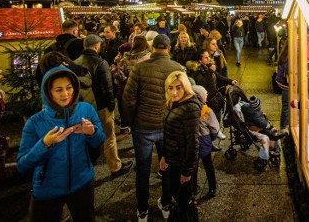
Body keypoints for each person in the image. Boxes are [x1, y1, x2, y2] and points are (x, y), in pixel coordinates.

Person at [17, 66, 106, 222]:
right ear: (48, 92)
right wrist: (44, 144)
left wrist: (92, 132)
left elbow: (100, 140)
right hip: (48, 189)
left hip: (82, 182)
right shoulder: (35, 123)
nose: (65, 94)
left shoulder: (86, 110)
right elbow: (23, 166)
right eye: (58, 90)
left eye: (69, 88)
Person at [121, 34, 185, 222]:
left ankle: (142, 210)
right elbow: (183, 99)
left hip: (143, 126)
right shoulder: (177, 68)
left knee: (143, 168)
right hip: (167, 125)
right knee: (166, 166)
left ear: (152, 48)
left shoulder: (140, 68)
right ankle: (166, 204)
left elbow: (128, 99)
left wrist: (130, 122)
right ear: (169, 48)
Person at [75, 34, 132, 179]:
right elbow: (107, 88)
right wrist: (112, 106)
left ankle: (84, 168)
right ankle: (115, 167)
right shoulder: (101, 63)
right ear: (96, 46)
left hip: (84, 107)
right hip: (101, 106)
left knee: (86, 136)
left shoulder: (75, 62)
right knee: (109, 137)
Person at [159, 71, 201, 221]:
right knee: (177, 197)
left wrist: (187, 172)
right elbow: (169, 134)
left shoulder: (190, 108)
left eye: (178, 88)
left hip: (183, 163)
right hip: (173, 159)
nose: (174, 92)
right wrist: (164, 155)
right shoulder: (172, 102)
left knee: (184, 203)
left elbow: (193, 143)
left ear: (186, 88)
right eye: (170, 88)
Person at [193, 49, 237, 138]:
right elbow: (204, 84)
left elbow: (218, 77)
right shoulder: (197, 71)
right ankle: (214, 133)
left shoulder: (208, 67)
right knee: (212, 119)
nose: (208, 59)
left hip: (215, 97)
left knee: (217, 117)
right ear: (199, 60)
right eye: (206, 58)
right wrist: (210, 71)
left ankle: (215, 131)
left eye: (208, 56)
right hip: (208, 99)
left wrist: (230, 81)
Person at [240, 95, 288, 169]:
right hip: (256, 128)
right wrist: (266, 124)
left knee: (268, 125)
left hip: (253, 124)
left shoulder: (246, 107)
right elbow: (261, 123)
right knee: (267, 132)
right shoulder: (255, 114)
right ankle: (275, 136)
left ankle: (273, 134)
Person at [191, 85, 220, 199]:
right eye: (205, 94)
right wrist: (211, 138)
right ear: (201, 97)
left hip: (192, 143)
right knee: (208, 165)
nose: (207, 95)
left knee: (193, 166)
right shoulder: (206, 110)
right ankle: (212, 187)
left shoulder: (188, 109)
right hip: (204, 141)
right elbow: (215, 128)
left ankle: (193, 188)